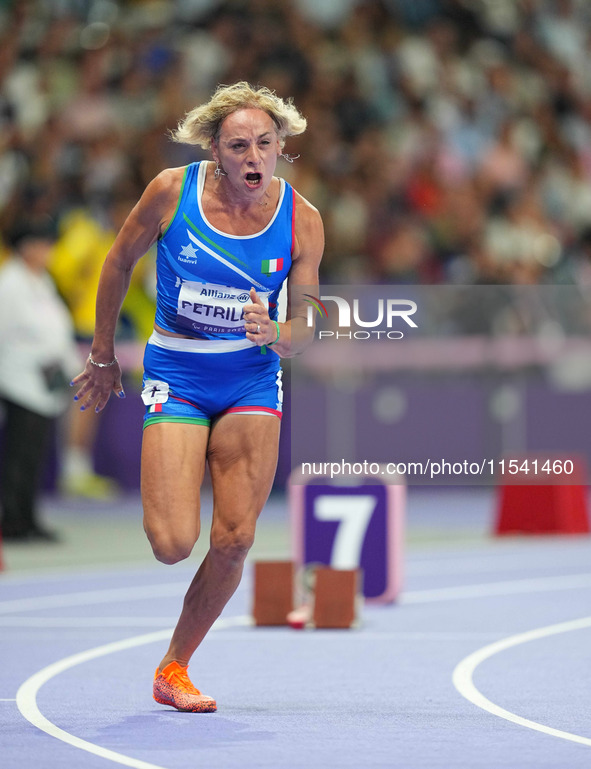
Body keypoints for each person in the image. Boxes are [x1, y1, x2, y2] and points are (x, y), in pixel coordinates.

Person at [71, 82, 324, 712]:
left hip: (251, 379)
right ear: (215, 148)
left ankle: (175, 667)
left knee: (235, 538)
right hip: (178, 374)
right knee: (173, 543)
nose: (253, 158)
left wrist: (282, 332)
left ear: (281, 146)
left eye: (265, 144)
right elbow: (116, 261)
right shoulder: (170, 191)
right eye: (239, 145)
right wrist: (103, 354)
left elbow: (311, 321)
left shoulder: (304, 219)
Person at [0, 219, 81, 541]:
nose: (48, 251)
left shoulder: (43, 281)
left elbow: (56, 329)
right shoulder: (9, 284)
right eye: (43, 244)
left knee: (34, 456)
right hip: (18, 381)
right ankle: (13, 521)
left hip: (46, 383)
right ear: (27, 247)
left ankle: (28, 518)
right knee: (19, 455)